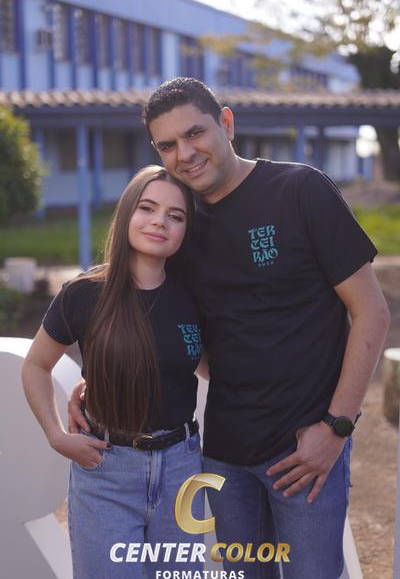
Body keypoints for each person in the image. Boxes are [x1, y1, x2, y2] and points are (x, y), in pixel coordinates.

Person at [69, 77, 390, 579]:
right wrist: (99, 379)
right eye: (167, 145)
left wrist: (337, 428)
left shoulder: (300, 190)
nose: (184, 153)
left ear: (227, 123)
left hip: (305, 450)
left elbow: (372, 312)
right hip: (224, 456)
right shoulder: (180, 222)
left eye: (195, 133)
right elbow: (156, 313)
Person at [22, 165, 205, 579]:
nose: (160, 221)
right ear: (126, 214)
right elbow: (35, 365)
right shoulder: (84, 294)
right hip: (106, 469)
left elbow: (206, 365)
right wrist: (55, 435)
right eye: (147, 208)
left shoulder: (195, 296)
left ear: (185, 231)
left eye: (175, 216)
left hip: (182, 468)